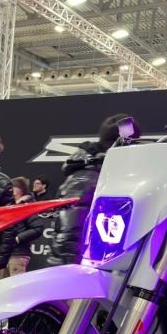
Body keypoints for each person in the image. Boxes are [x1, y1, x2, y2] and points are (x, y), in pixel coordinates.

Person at [48, 113, 140, 266]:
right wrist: (73, 271)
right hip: (78, 268)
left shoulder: (103, 173)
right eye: (134, 143)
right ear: (121, 143)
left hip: (94, 264)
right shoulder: (87, 176)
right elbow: (70, 233)